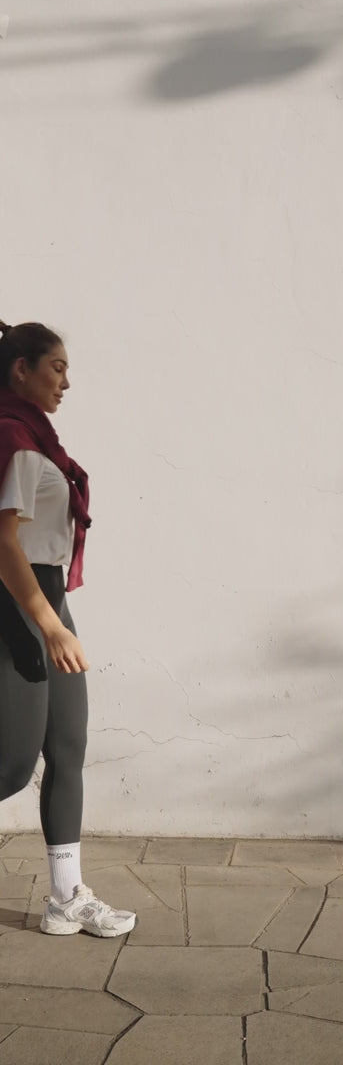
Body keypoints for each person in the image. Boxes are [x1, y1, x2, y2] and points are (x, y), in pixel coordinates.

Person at [0, 319, 136, 937]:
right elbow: (4, 546)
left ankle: (65, 897)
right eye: (56, 367)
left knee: (67, 747)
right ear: (20, 369)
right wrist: (50, 626)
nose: (66, 381)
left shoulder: (37, 439)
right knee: (10, 765)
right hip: (20, 606)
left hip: (49, 601)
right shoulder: (14, 438)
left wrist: (56, 620)